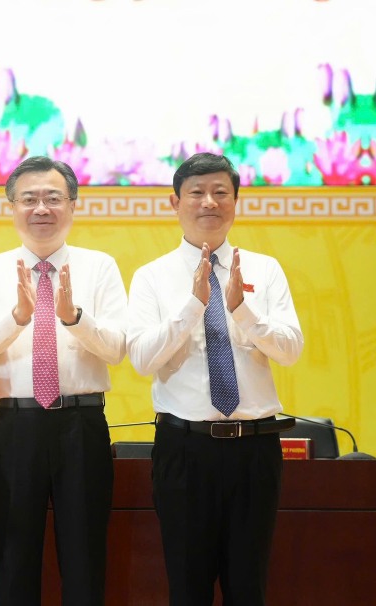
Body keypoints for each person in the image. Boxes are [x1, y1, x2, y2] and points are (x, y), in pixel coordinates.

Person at [126, 152, 304, 605]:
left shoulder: (265, 270)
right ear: (175, 202)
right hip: (185, 449)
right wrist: (192, 306)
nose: (209, 202)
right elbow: (142, 359)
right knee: (187, 587)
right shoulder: (151, 277)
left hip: (255, 448)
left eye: (220, 192)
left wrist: (242, 310)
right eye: (197, 193)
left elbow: (290, 350)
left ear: (235, 201)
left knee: (249, 586)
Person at [0, 156, 128, 606]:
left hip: (82, 425)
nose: (41, 209)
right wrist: (17, 318)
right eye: (29, 199)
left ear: (73, 205)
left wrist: (74, 317)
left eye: (53, 198)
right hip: (16, 427)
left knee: (85, 557)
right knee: (13, 559)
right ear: (11, 207)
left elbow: (118, 348)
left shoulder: (99, 267)